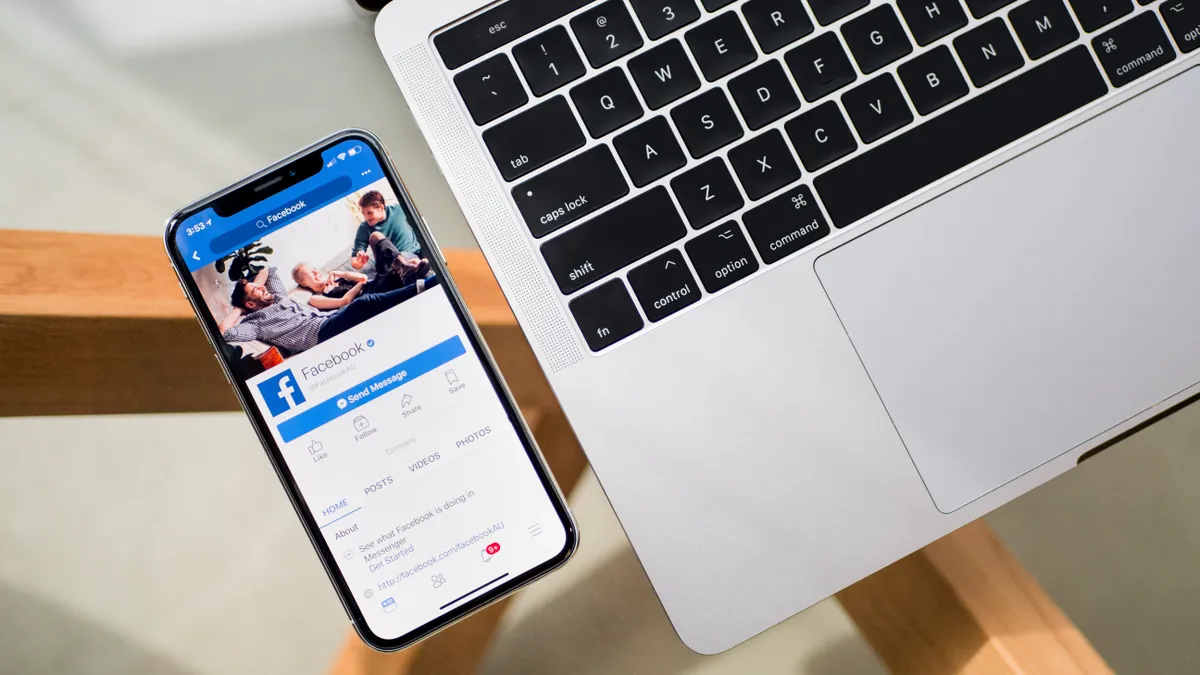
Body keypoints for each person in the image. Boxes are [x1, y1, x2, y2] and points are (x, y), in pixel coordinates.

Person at [218, 265, 439, 354]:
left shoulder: (279, 297)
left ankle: (423, 291)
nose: (262, 288)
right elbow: (226, 332)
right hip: (318, 335)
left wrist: (252, 286)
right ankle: (427, 285)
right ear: (249, 305)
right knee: (363, 303)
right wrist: (238, 308)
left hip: (329, 320)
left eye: (259, 286)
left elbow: (270, 270)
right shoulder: (255, 325)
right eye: (256, 292)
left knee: (370, 307)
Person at [292, 233, 430, 310]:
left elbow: (362, 276)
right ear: (304, 283)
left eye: (315, 269)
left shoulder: (335, 279)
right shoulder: (315, 298)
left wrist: (337, 273)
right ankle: (404, 270)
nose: (317, 273)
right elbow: (344, 302)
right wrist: (361, 283)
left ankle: (403, 268)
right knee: (416, 263)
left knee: (375, 237)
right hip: (371, 294)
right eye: (311, 273)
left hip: (376, 282)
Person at [350, 190, 420, 270]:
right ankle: (402, 266)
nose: (366, 217)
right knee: (375, 236)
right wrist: (359, 262)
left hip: (411, 255)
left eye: (369, 213)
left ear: (381, 208)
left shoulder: (399, 210)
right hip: (387, 265)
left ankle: (407, 267)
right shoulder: (364, 228)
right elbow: (354, 261)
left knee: (417, 261)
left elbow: (420, 226)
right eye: (364, 214)